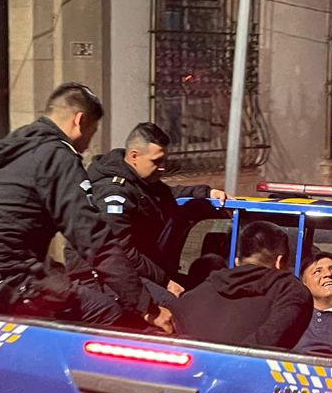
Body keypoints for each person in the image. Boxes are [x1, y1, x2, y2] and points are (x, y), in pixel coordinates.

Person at [0, 84, 173, 330]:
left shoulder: (15, 147)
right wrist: (147, 308)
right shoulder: (57, 156)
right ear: (79, 121)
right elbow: (94, 239)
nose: (87, 145)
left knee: (60, 285)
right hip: (0, 280)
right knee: (110, 312)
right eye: (91, 132)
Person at [86, 122, 227, 301]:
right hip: (111, 279)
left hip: (138, 272)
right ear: (134, 156)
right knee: (172, 311)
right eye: (156, 161)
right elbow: (121, 252)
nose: (162, 167)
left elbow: (168, 194)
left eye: (164, 160)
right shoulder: (114, 193)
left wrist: (206, 193)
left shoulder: (141, 182)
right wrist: (166, 281)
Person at [171, 221, 311, 349]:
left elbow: (172, 320)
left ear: (237, 261)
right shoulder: (291, 291)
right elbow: (272, 340)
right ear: (280, 262)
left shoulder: (204, 288)